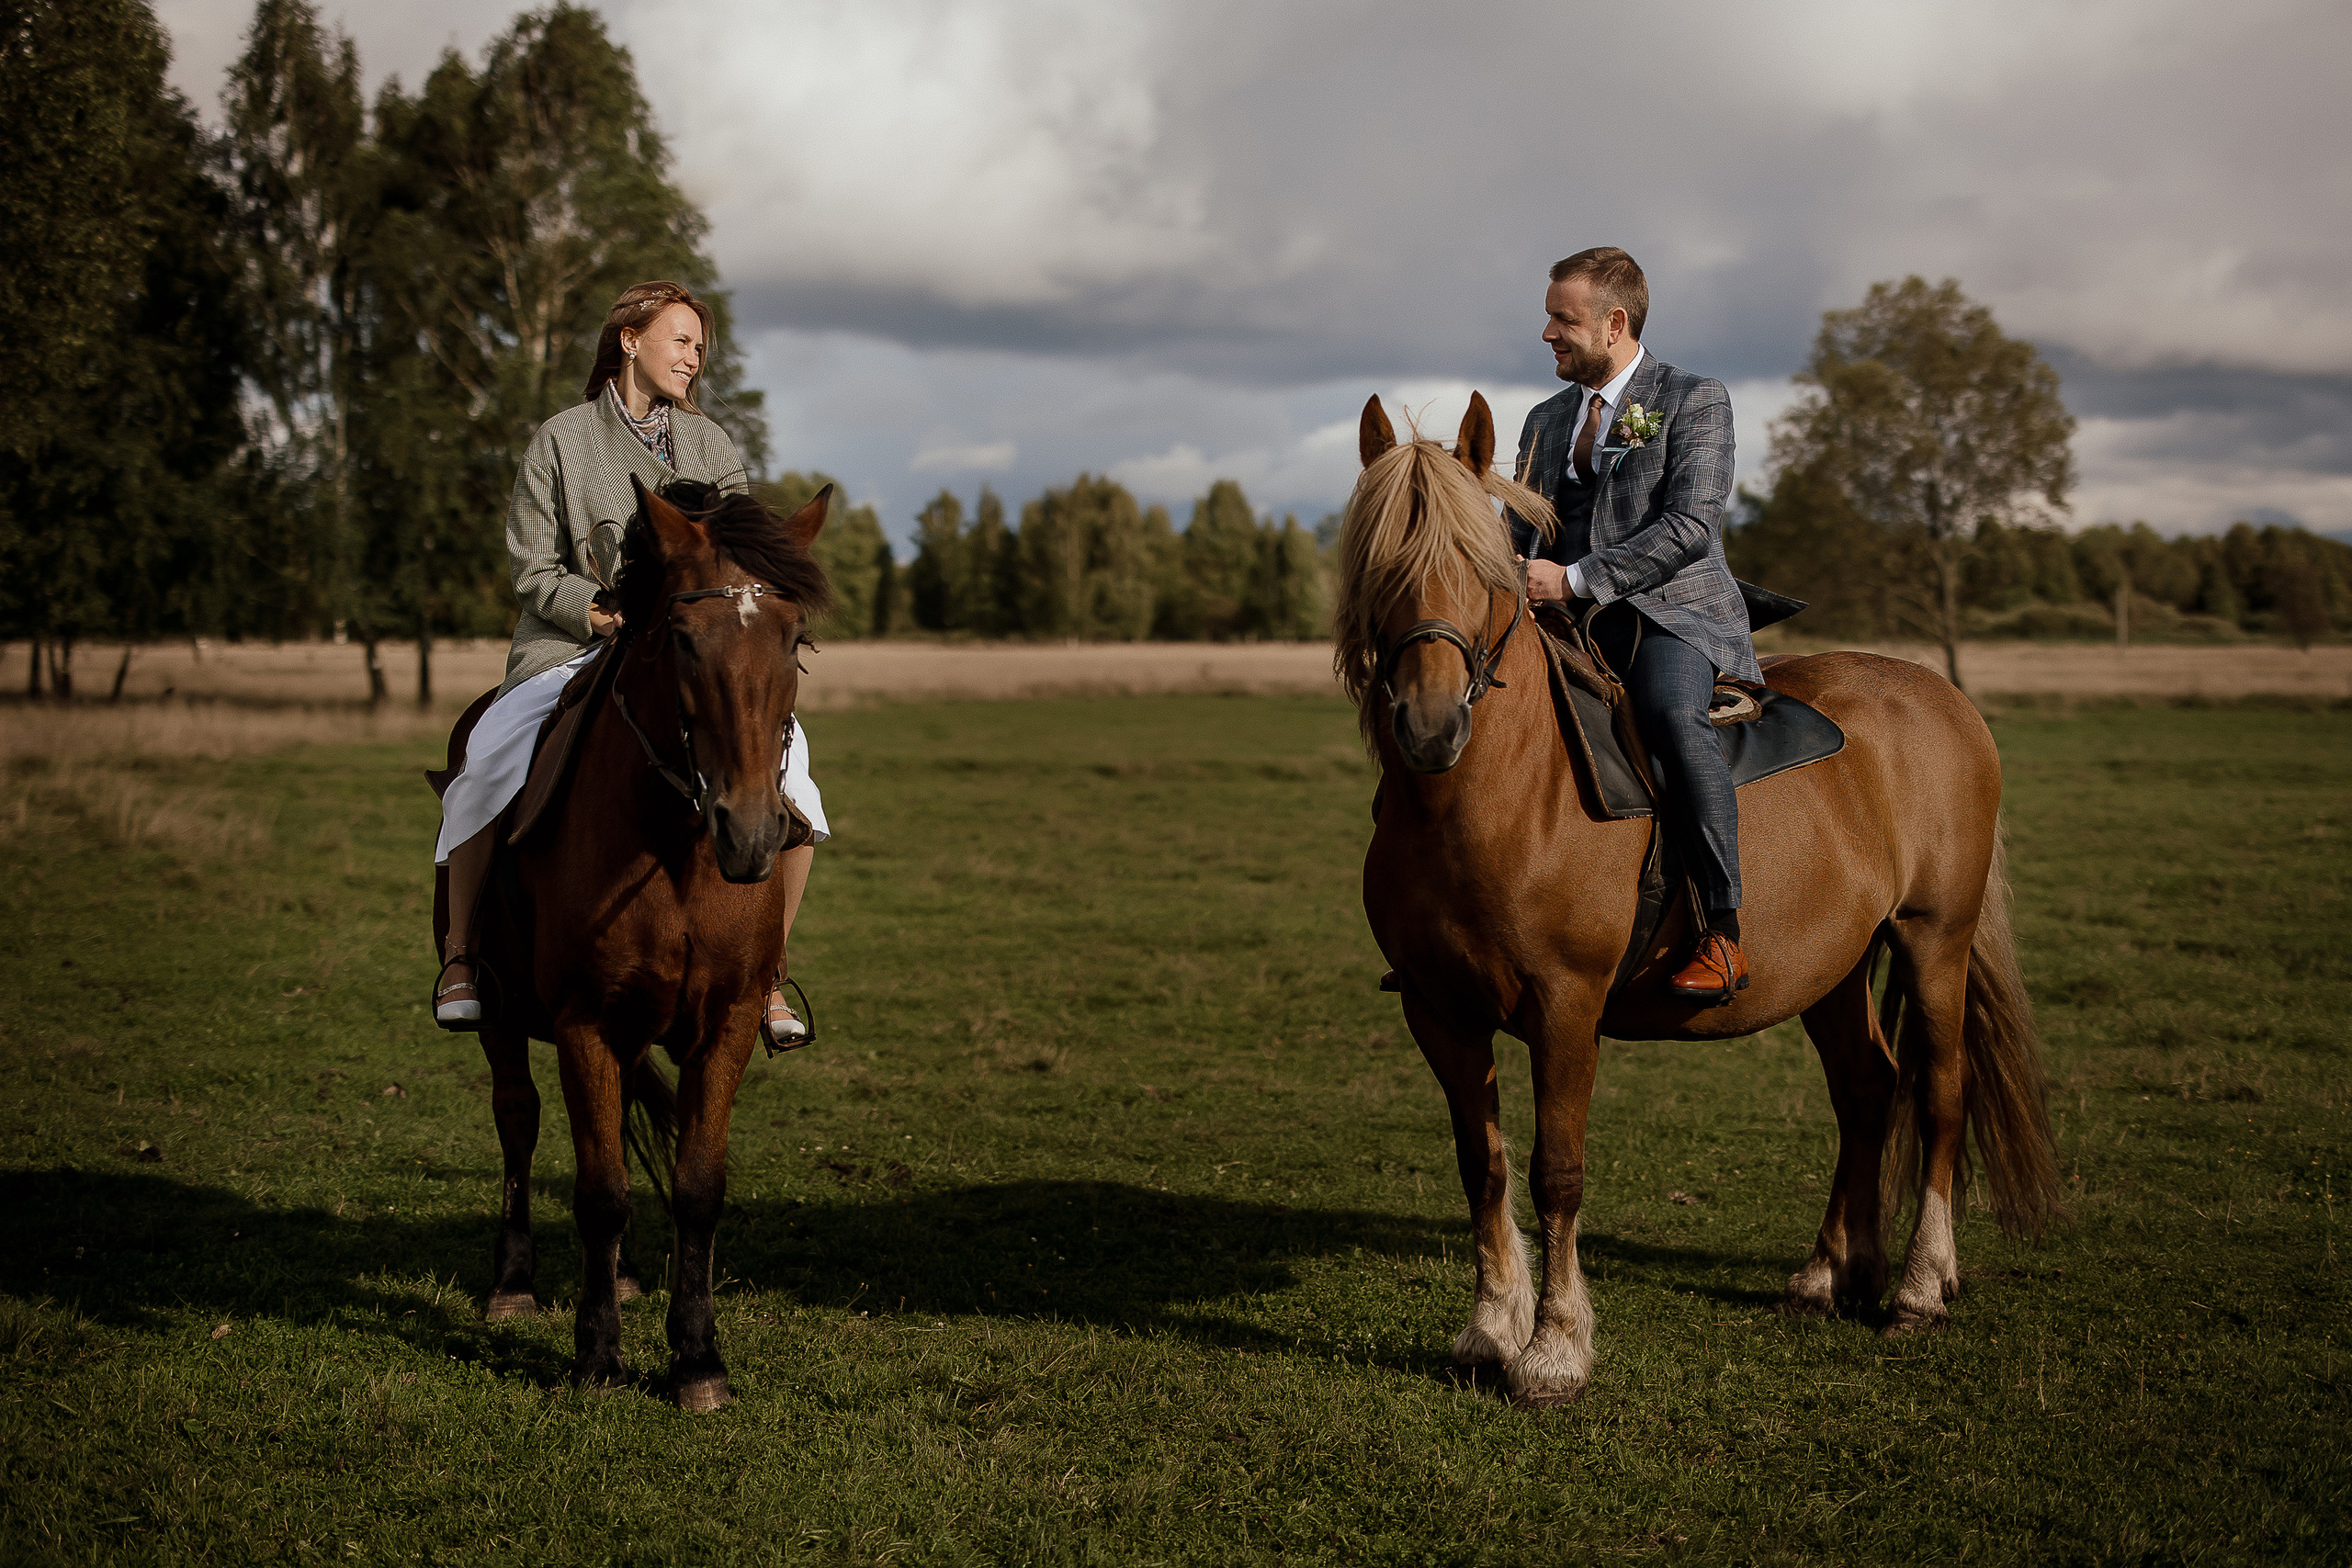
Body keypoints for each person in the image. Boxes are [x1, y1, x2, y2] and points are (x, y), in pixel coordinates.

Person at [433, 279, 826, 1044]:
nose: (694, 356)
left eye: (700, 346)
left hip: (687, 657)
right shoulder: (560, 439)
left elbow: (740, 560)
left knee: (798, 772)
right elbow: (531, 568)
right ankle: (461, 956)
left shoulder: (712, 444)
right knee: (485, 760)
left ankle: (768, 972)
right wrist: (596, 609)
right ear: (629, 340)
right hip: (570, 646)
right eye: (681, 339)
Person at [1510, 247, 1754, 1002]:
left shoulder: (1694, 399)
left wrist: (1573, 578)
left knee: (1672, 717)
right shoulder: (1545, 419)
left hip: (1670, 610)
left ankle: (1722, 930)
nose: (1547, 333)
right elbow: (1520, 528)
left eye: (1563, 319)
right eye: (1548, 316)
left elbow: (1690, 526)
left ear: (1615, 323)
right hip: (1557, 617)